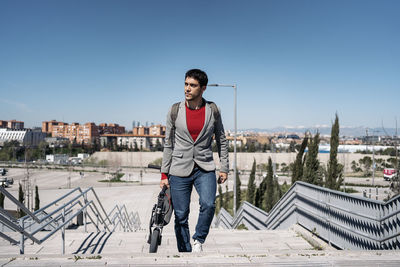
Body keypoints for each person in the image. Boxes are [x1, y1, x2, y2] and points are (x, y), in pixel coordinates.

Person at [160, 69, 229, 252]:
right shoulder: (175, 110)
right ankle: (185, 251)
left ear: (203, 88)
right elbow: (168, 144)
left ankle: (199, 239)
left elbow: (222, 140)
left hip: (204, 166)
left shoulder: (213, 110)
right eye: (186, 84)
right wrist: (163, 174)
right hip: (179, 169)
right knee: (181, 215)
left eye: (192, 85)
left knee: (208, 204)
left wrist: (224, 168)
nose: (187, 89)